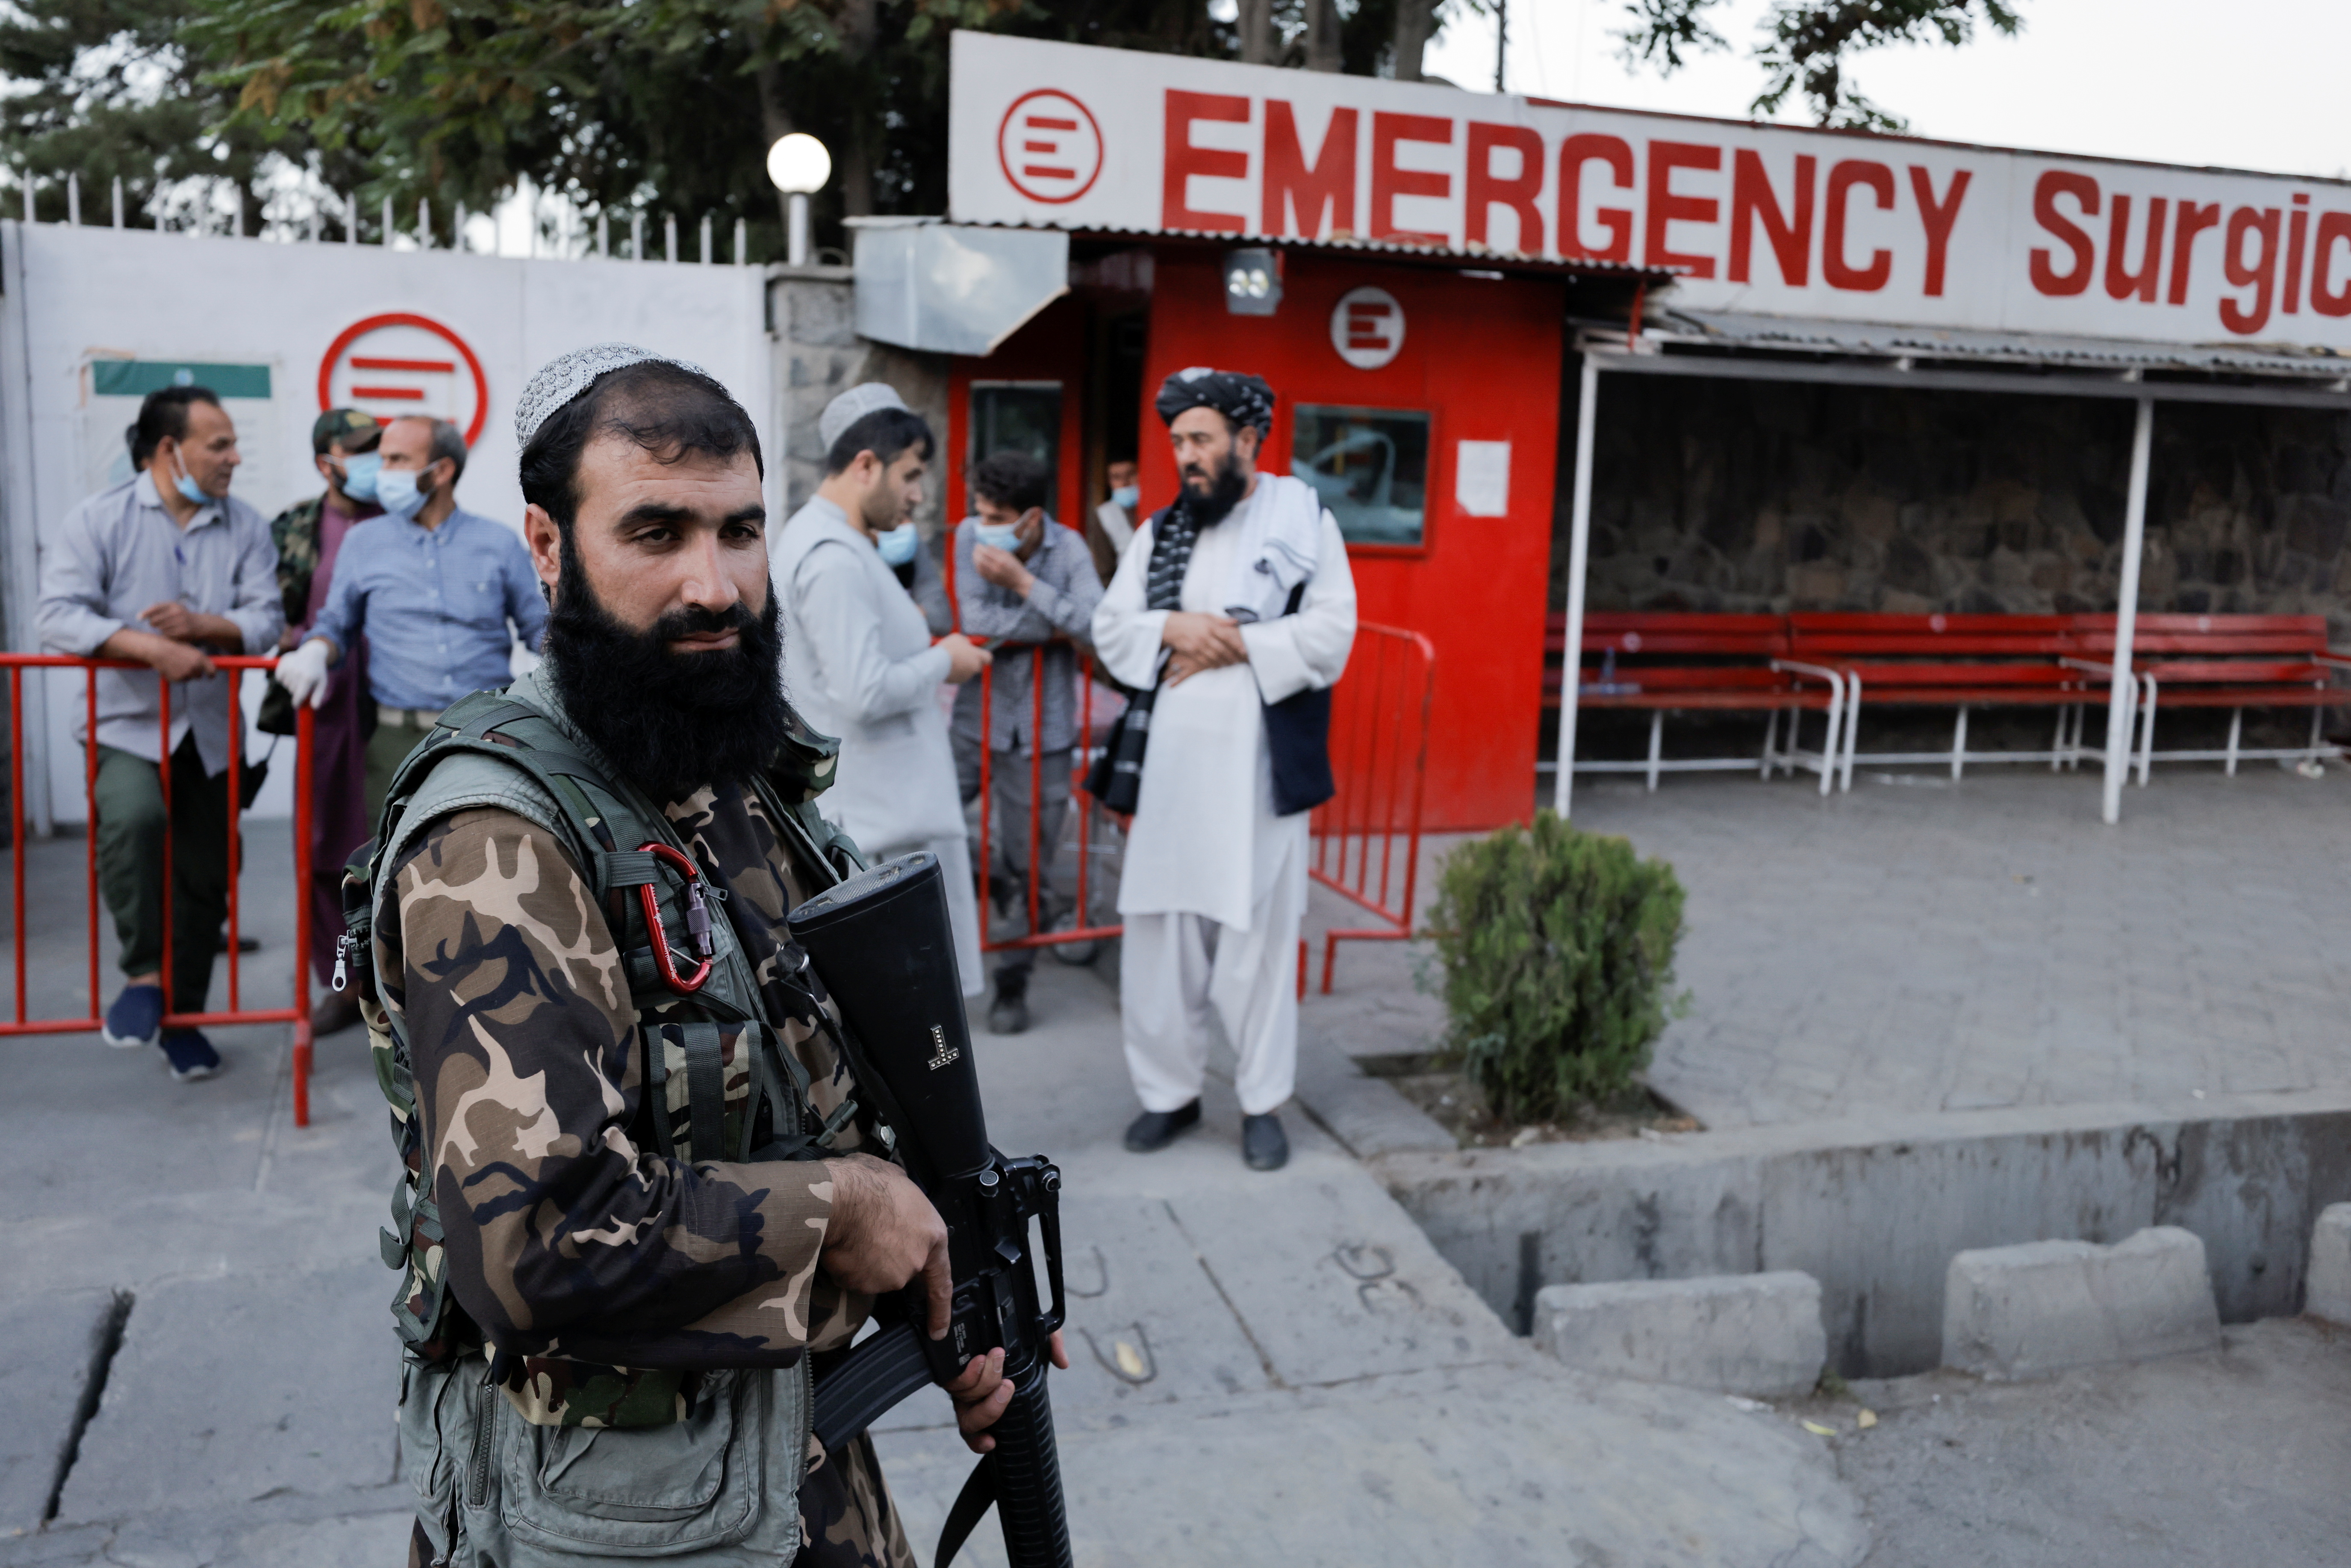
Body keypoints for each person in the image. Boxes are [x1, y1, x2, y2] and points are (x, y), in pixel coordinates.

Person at [369, 343, 1061, 1568]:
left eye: (741, 530)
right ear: (547, 545)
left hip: (782, 1463)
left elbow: (811, 1076)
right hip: (613, 1521)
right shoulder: (497, 838)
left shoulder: (724, 772)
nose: (713, 583)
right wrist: (844, 1213)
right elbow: (534, 1239)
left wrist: (943, 1280)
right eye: (654, 531)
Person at [1091, 368, 1357, 1172]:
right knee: (1160, 936)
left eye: (1201, 439)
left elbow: (1333, 633)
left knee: (1259, 944)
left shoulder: (1303, 519)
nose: (1187, 456)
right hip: (1171, 777)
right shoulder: (1161, 529)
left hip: (1259, 780)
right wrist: (1181, 624)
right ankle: (1168, 1094)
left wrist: (1239, 641)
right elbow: (1113, 628)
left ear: (1248, 439)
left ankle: (1262, 1101)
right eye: (1178, 441)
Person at [35, 385, 284, 1082]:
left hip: (208, 730)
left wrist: (205, 628)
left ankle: (185, 1020)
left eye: (233, 442)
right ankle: (144, 975)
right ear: (170, 450)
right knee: (135, 820)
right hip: (125, 724)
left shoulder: (246, 527)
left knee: (206, 877)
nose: (235, 457)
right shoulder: (100, 520)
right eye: (220, 444)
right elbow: (56, 615)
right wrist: (149, 648)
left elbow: (267, 619)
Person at [772, 383, 992, 997]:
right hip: (879, 835)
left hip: (884, 823)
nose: (920, 495)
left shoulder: (838, 546)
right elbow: (864, 691)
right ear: (866, 465)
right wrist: (942, 661)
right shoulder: (833, 558)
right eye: (912, 474)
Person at [273, 415, 547, 824]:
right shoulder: (364, 542)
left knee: (490, 858)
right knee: (390, 873)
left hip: (489, 733)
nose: (384, 474)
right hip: (396, 741)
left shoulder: (498, 543)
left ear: (441, 471)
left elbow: (539, 630)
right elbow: (335, 624)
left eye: (397, 460)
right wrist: (314, 650)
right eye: (383, 460)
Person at [949, 449, 1103, 1035]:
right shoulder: (969, 535)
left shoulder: (1069, 550)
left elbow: (1100, 626)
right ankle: (988, 892)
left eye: (995, 514)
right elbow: (977, 620)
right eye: (979, 510)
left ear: (1031, 517)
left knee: (1030, 862)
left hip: (1046, 732)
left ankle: (1012, 984)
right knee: (923, 823)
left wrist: (1024, 583)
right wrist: (1054, 625)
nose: (981, 522)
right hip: (973, 721)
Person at [268, 408, 384, 1034]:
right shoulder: (294, 528)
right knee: (322, 856)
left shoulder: (399, 525)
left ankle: (399, 985)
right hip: (324, 712)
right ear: (327, 461)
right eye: (359, 449)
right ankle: (342, 986)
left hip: (389, 707)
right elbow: (264, 610)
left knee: (390, 849)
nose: (373, 459)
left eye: (379, 448)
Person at [1089, 455, 1141, 578]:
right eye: (1117, 478)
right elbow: (1104, 568)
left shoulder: (1156, 504)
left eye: (1131, 474)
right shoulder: (1104, 515)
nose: (1125, 483)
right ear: (1109, 482)